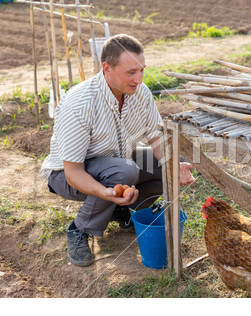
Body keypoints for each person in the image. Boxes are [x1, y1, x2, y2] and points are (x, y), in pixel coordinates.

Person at [39, 34, 195, 267]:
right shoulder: (80, 103)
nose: (139, 79)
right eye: (131, 72)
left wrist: (175, 165)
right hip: (66, 174)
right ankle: (80, 228)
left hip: (116, 162)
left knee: (169, 165)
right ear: (106, 68)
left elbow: (155, 138)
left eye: (142, 70)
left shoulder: (140, 93)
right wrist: (105, 193)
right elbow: (73, 171)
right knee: (125, 172)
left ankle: (120, 211)